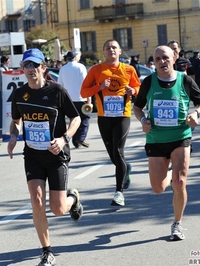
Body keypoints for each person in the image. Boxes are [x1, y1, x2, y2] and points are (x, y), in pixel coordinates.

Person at [7, 48, 83, 266]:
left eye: (34, 65)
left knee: (58, 209)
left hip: (56, 155)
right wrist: (13, 136)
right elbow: (17, 121)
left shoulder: (57, 91)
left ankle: (73, 199)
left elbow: (76, 118)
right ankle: (47, 251)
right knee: (37, 201)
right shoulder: (20, 94)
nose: (30, 69)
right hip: (32, 154)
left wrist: (64, 139)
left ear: (43, 68)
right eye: (26, 65)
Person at [133, 45, 200, 241]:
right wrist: (143, 121)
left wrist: (196, 113)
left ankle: (177, 224)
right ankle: (169, 174)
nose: (161, 62)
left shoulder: (184, 80)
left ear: (174, 58)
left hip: (180, 136)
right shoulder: (149, 81)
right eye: (157, 59)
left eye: (165, 58)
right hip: (156, 139)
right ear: (154, 62)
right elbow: (137, 107)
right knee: (158, 188)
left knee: (180, 182)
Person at [80, 39, 141, 206]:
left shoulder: (129, 69)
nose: (111, 50)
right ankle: (125, 168)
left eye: (114, 47)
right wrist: (98, 87)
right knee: (113, 155)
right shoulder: (96, 70)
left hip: (122, 115)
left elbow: (139, 88)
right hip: (104, 117)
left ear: (120, 51)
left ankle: (119, 192)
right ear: (103, 52)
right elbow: (83, 90)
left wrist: (133, 90)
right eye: (108, 48)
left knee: (118, 150)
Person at [57, 51, 90, 148]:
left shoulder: (63, 68)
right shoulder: (80, 67)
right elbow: (85, 83)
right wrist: (89, 98)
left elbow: (60, 85)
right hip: (81, 97)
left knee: (73, 119)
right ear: (75, 57)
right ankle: (80, 138)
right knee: (85, 118)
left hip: (68, 99)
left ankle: (75, 140)